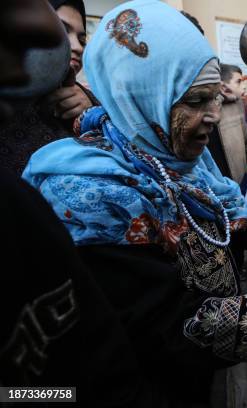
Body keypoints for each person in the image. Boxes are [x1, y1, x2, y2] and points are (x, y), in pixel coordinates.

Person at [22, 2, 247, 402]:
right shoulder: (93, 195)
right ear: (140, 95)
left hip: (199, 372)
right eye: (193, 101)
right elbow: (167, 328)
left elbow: (221, 212)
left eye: (214, 98)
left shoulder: (179, 153)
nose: (213, 115)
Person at [0, 1, 165, 405]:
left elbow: (100, 358)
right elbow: (25, 392)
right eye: (61, 31)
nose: (67, 45)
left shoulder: (88, 109)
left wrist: (95, 112)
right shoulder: (27, 187)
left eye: (78, 36)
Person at [0, 0, 97, 176]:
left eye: (82, 40)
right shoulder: (7, 99)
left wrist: (92, 116)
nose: (77, 47)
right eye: (63, 29)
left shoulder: (89, 102)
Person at [207, 63, 247, 183]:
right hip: (213, 182)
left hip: (237, 181)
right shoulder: (204, 107)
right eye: (239, 81)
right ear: (223, 87)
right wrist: (220, 97)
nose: (244, 86)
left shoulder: (237, 104)